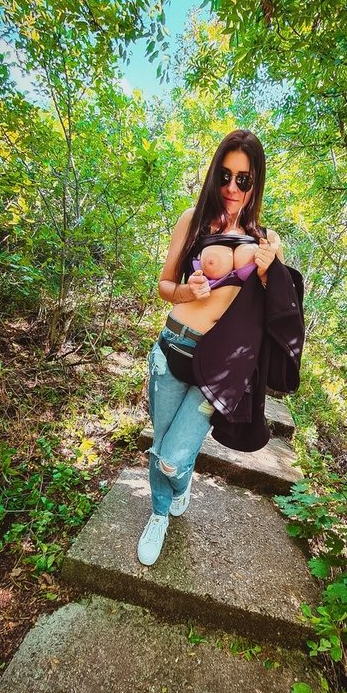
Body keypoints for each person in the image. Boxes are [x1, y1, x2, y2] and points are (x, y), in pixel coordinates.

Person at [137, 129, 304, 566]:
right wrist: (185, 291)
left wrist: (269, 273)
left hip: (217, 366)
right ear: (215, 174)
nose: (232, 187)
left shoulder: (266, 240)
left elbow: (275, 309)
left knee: (173, 456)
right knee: (161, 444)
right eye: (225, 175)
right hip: (172, 347)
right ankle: (159, 514)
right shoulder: (192, 220)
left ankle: (179, 480)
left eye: (243, 179)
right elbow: (164, 284)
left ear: (255, 182)